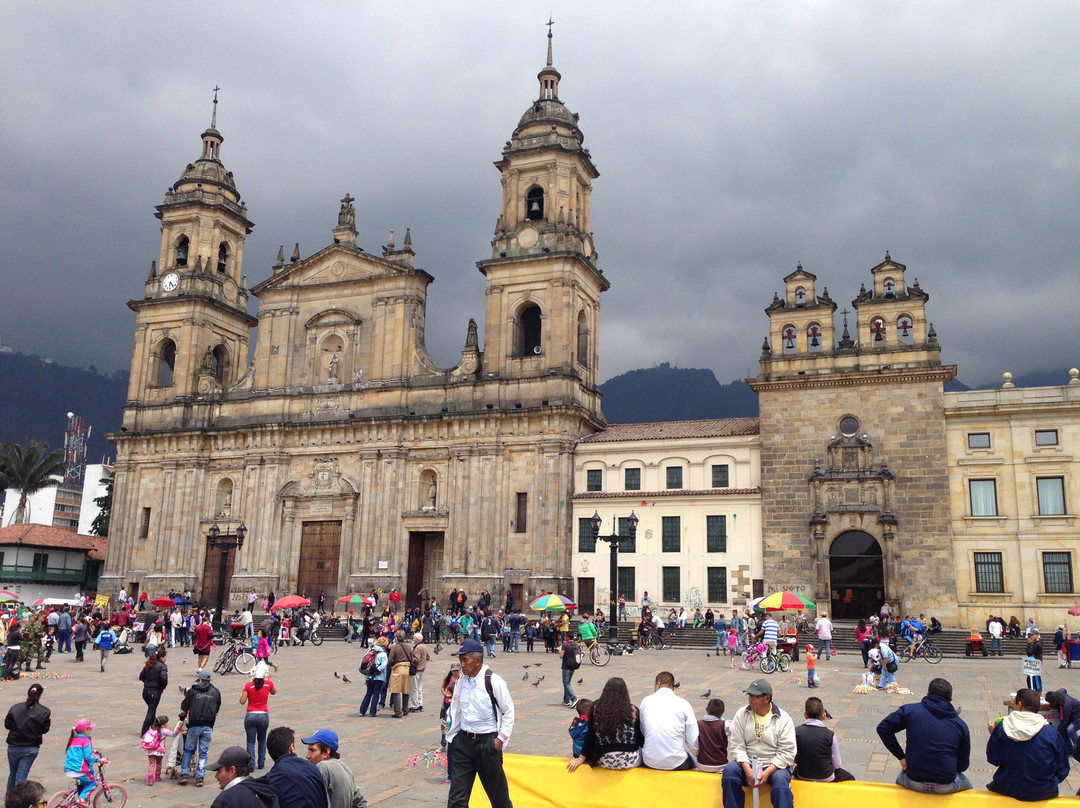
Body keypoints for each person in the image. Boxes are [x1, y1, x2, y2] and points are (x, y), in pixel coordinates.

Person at [445, 638, 515, 808]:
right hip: (463, 742)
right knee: (456, 799)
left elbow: (508, 711)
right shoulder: (461, 681)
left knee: (499, 798)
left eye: (465, 660)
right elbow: (456, 708)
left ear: (477, 661)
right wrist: (453, 735)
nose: (462, 665)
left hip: (487, 743)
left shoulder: (493, 681)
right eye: (460, 660)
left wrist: (500, 739)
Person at [876, 677, 971, 793]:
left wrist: (901, 757)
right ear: (951, 699)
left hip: (913, 780)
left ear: (927, 693)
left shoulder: (910, 711)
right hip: (946, 784)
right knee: (969, 789)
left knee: (900, 781)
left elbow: (883, 729)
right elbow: (963, 766)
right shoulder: (960, 725)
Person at [721, 678, 796, 808]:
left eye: (755, 696)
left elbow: (787, 752)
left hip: (774, 765)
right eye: (749, 695)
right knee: (729, 772)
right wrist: (747, 768)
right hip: (748, 762)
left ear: (767, 698)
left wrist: (768, 771)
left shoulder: (784, 719)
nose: (750, 699)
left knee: (780, 782)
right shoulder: (741, 714)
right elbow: (737, 745)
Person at [985, 688, 1069, 801]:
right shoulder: (1052, 733)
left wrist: (994, 735)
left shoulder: (1002, 728)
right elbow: (1062, 769)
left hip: (1008, 787)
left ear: (1020, 705)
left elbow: (993, 759)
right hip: (1044, 790)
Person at [639, 670, 698, 770]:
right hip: (676, 763)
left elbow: (643, 730)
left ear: (658, 684)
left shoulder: (646, 701)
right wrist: (698, 754)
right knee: (691, 761)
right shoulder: (684, 704)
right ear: (672, 687)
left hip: (649, 761)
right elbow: (692, 739)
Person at [178, 669, 223, 787]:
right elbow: (217, 708)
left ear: (200, 680)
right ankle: (200, 777)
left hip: (194, 724)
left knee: (188, 750)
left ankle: (184, 774)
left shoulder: (192, 691)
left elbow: (184, 706)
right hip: (208, 725)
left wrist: (181, 718)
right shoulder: (216, 692)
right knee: (203, 752)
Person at [302, 728, 367, 808]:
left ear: (326, 752)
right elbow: (360, 802)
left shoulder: (322, 767)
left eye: (312, 750)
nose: (308, 756)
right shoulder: (345, 768)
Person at [265, 726, 328, 808]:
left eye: (312, 750)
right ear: (292, 748)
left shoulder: (269, 779)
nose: (307, 756)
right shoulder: (311, 768)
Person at [794, 696, 852, 782]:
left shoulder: (796, 732)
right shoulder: (830, 735)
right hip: (826, 776)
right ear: (824, 716)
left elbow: (792, 756)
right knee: (850, 777)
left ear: (805, 715)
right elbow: (837, 764)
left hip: (803, 775)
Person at [4, 684, 50, 791]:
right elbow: (44, 729)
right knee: (21, 776)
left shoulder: (15, 708)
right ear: (40, 695)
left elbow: (7, 725)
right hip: (31, 747)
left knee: (13, 774)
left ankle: (9, 798)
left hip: (13, 745)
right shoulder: (44, 711)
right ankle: (18, 799)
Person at [208, 745, 280, 808]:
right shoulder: (265, 790)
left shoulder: (226, 800)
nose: (216, 776)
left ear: (232, 770)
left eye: (219, 771)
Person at [240, 671, 277, 770]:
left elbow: (242, 701)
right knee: (262, 739)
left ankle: (251, 764)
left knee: (250, 741)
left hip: (251, 714)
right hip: (263, 715)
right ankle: (261, 762)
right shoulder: (268, 684)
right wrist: (270, 679)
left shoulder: (248, 686)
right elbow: (274, 692)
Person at [63, 718, 104, 802]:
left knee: (84, 782)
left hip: (69, 768)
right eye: (90, 728)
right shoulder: (86, 741)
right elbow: (89, 758)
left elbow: (80, 752)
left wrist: (92, 751)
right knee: (94, 782)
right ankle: (82, 799)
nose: (91, 729)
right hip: (80, 769)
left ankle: (79, 800)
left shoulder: (74, 739)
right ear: (85, 730)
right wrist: (100, 760)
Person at [141, 715, 177, 785]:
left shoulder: (151, 730)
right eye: (166, 723)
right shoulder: (164, 731)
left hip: (150, 750)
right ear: (163, 725)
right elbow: (173, 734)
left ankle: (150, 779)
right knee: (158, 763)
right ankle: (157, 776)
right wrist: (179, 727)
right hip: (159, 751)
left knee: (151, 764)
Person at [139, 648, 169, 736]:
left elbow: (141, 676)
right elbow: (163, 679)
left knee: (152, 709)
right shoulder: (162, 666)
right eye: (165, 657)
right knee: (151, 711)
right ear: (162, 657)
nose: (166, 659)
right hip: (155, 692)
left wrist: (147, 683)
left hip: (146, 692)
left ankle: (155, 727)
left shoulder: (150, 663)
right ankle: (144, 731)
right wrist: (161, 687)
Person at [386, 631, 414, 718]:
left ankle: (398, 712)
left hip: (398, 669)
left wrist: (391, 665)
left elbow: (390, 660)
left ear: (396, 638)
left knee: (396, 690)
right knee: (406, 690)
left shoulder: (395, 648)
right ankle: (405, 709)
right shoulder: (409, 647)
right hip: (407, 669)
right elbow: (412, 658)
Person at [696, 698, 728, 773]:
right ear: (722, 713)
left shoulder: (698, 724)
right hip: (721, 765)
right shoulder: (725, 725)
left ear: (706, 708)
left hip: (702, 764)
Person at [359, 637, 389, 717]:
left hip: (368, 676)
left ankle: (362, 711)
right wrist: (378, 670)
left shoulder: (370, 651)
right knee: (376, 693)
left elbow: (363, 661)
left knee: (368, 693)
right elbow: (384, 665)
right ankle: (372, 712)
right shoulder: (383, 654)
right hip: (379, 677)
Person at [1045, 688, 1080, 753]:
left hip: (1078, 717)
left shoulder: (1066, 706)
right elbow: (1063, 689)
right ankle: (1069, 748)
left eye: (1050, 703)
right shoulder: (1059, 693)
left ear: (1054, 702)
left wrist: (1057, 732)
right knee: (1064, 730)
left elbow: (1064, 722)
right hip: (1073, 715)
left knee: (1070, 730)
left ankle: (1078, 748)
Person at [410, 632, 431, 713]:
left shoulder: (417, 647)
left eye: (414, 638)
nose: (413, 639)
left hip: (417, 669)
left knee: (414, 688)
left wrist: (411, 659)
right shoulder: (424, 646)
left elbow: (416, 659)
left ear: (417, 639)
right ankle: (420, 703)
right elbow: (428, 657)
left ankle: (415, 705)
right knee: (419, 688)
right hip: (422, 669)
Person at [559, 632, 578, 708]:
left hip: (566, 666)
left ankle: (574, 698)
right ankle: (566, 701)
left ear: (567, 637)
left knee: (566, 683)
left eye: (565, 636)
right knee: (567, 683)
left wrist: (562, 648)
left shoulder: (565, 645)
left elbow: (561, 656)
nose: (564, 637)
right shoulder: (575, 644)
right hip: (573, 666)